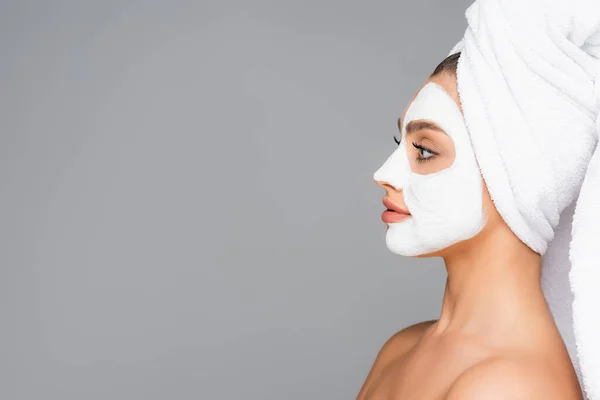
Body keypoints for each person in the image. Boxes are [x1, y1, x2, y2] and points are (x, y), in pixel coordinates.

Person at [356, 53, 584, 400]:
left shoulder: (511, 388)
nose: (383, 175)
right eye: (399, 144)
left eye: (425, 151)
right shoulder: (400, 348)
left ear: (516, 177)